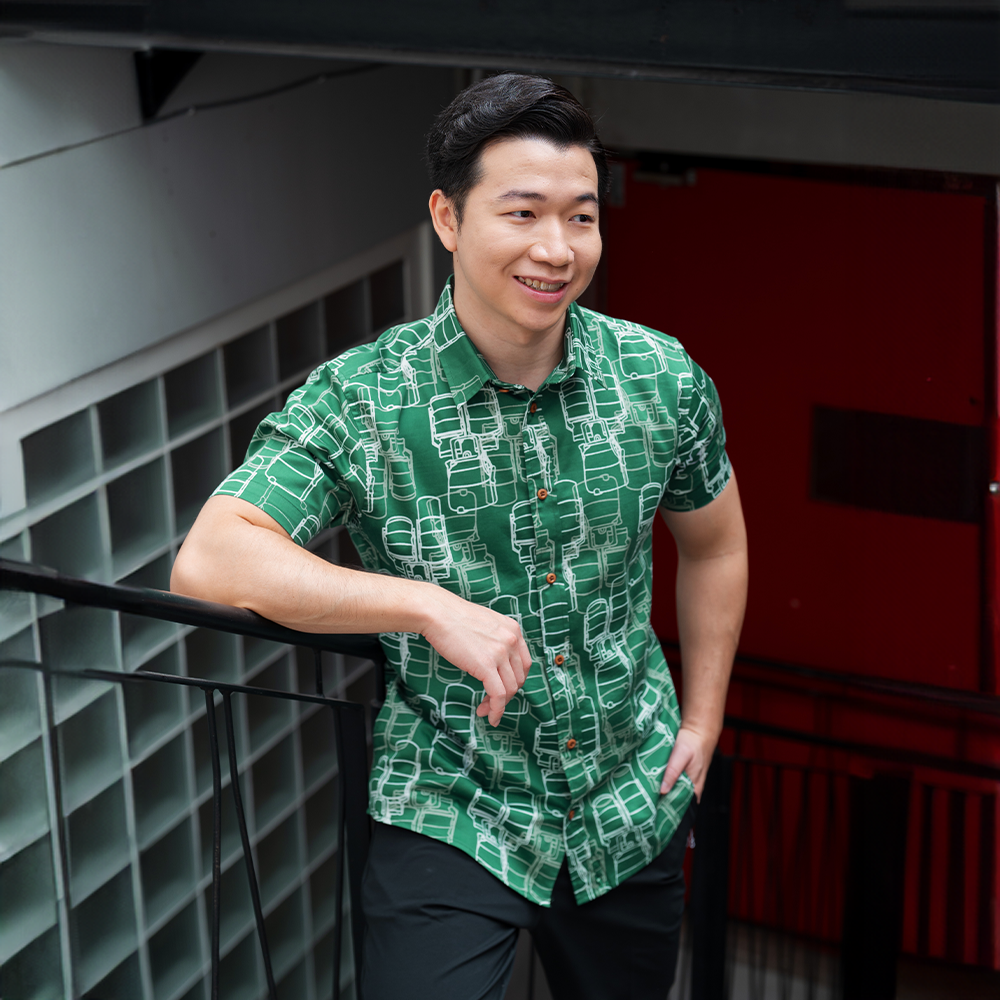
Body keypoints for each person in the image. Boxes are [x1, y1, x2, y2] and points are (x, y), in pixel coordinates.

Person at [172, 73, 747, 1000]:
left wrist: (704, 719)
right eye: (521, 213)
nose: (556, 250)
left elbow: (715, 544)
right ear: (448, 218)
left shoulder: (661, 375)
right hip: (450, 798)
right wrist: (423, 605)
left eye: (582, 218)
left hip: (628, 800)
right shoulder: (363, 398)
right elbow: (211, 557)